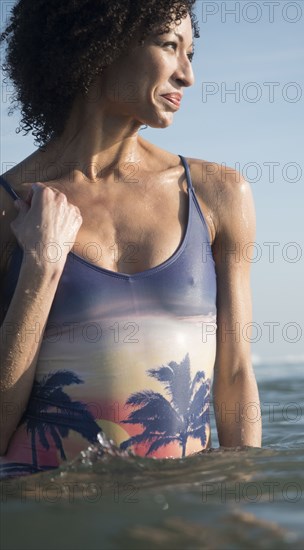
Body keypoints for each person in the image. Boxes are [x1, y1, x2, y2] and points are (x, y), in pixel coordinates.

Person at [0, 0, 261, 479]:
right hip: (45, 513)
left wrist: (243, 499)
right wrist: (42, 266)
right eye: (169, 46)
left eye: (191, 54)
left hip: (182, 508)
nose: (187, 76)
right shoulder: (8, 209)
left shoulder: (217, 194)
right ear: (100, 45)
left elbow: (236, 375)